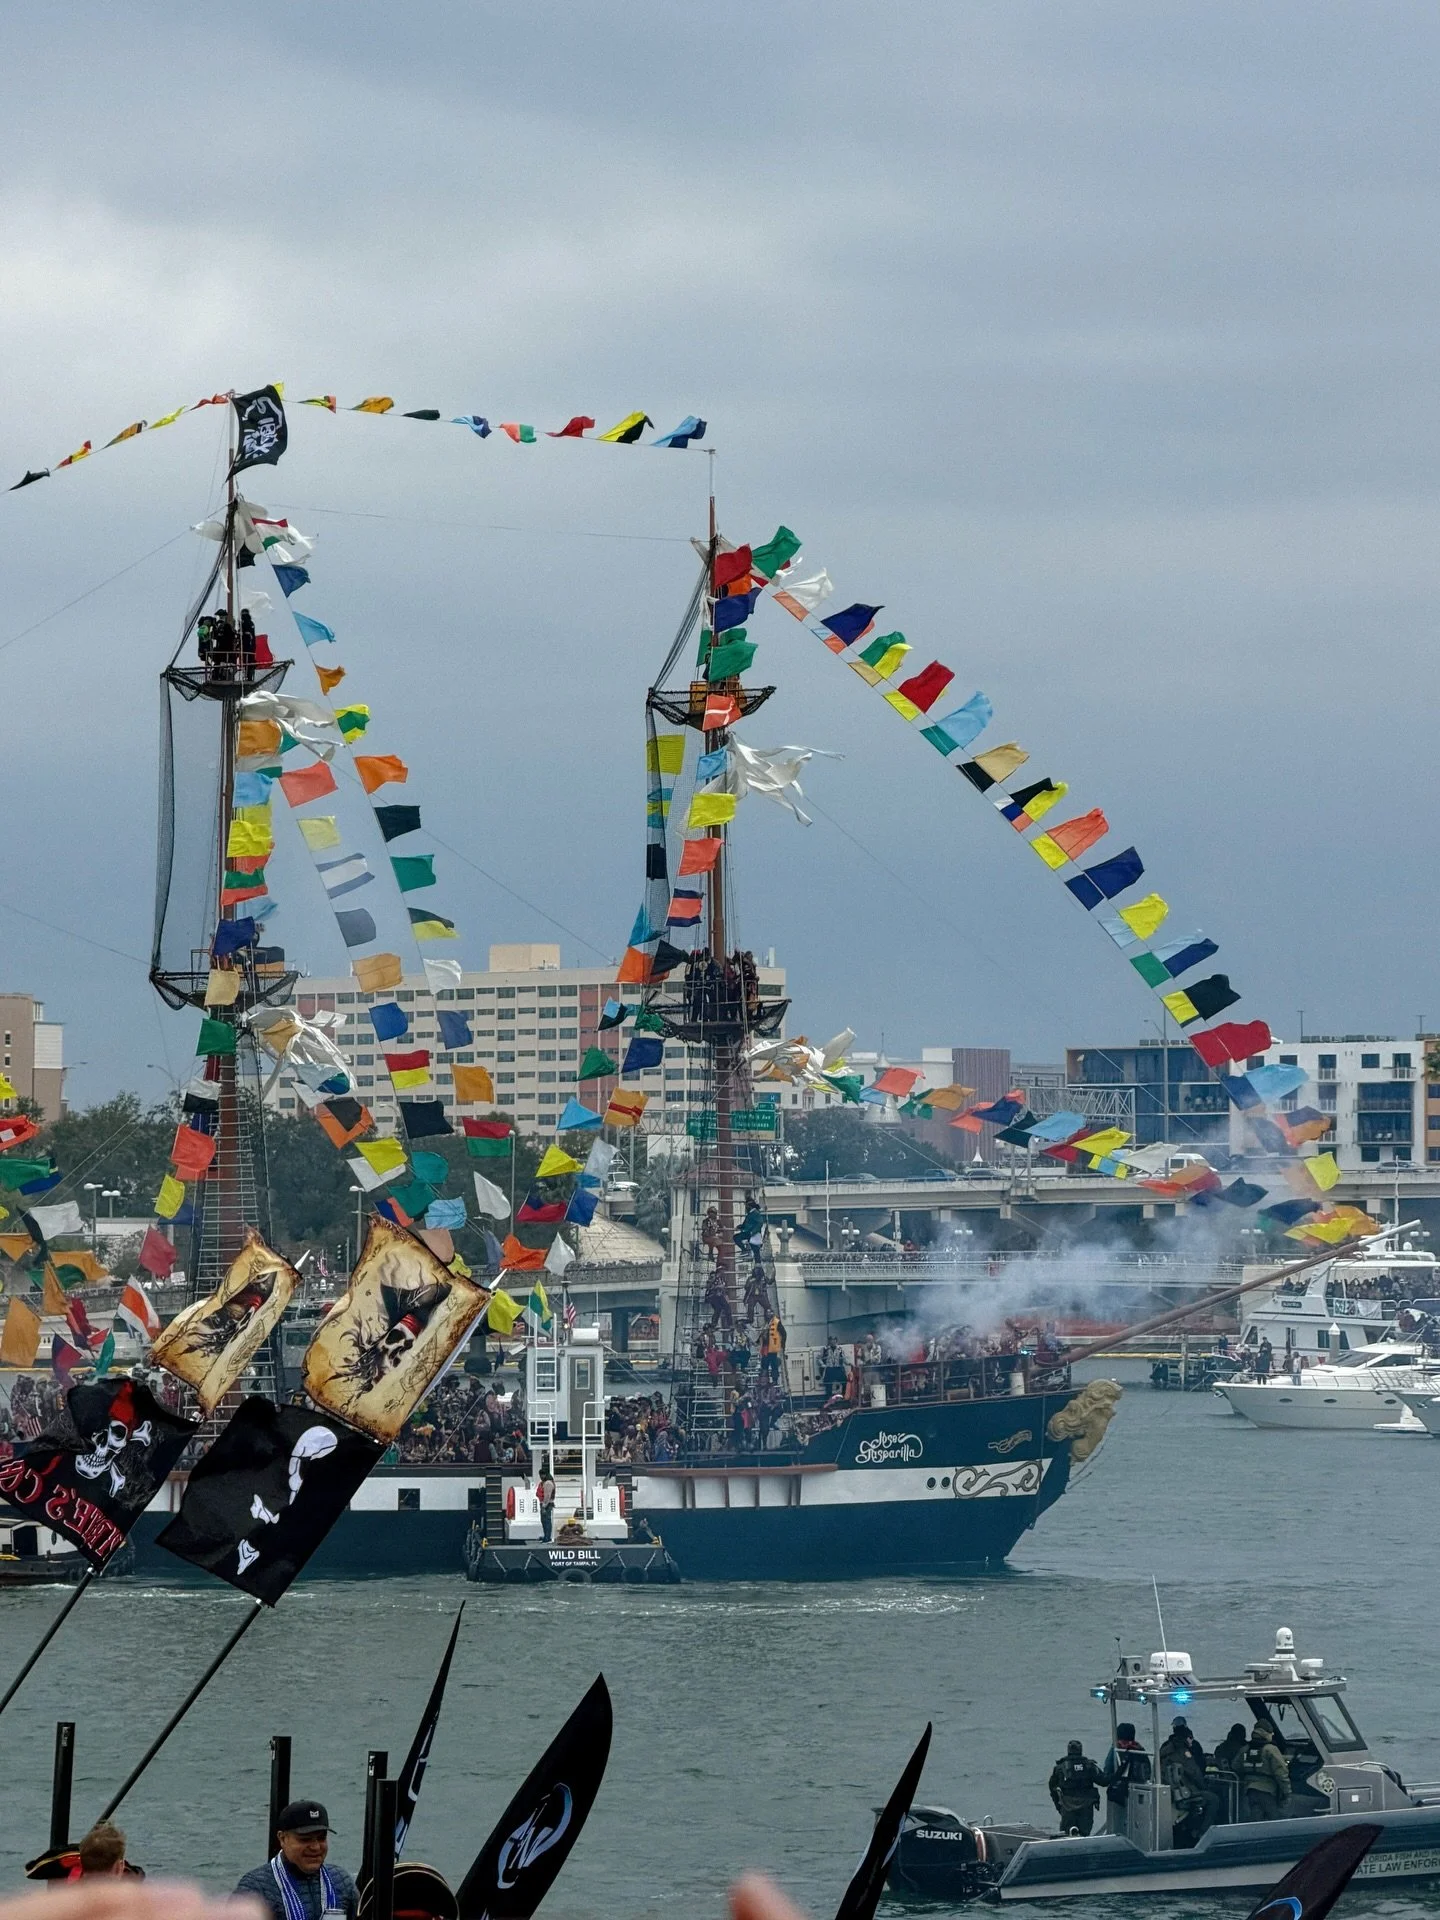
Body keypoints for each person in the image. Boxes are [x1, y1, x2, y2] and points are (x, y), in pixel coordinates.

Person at [236, 1800, 357, 1920]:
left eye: (321, 1838)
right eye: (305, 1839)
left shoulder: (342, 1882)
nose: (315, 1847)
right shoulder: (256, 1889)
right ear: (282, 1838)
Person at [1048, 1739, 1104, 1836]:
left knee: (1066, 1836)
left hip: (1067, 1807)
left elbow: (1052, 1788)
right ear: (1081, 1750)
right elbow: (1104, 1781)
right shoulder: (1089, 1766)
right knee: (1084, 1835)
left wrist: (1059, 1806)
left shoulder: (1060, 1768)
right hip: (1086, 1807)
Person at [1102, 1722, 1151, 1830]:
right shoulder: (1139, 1750)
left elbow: (1107, 1769)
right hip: (1129, 1791)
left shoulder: (1118, 1750)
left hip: (1128, 1791)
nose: (1122, 1744)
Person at [1240, 1722, 1290, 1820]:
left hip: (1250, 1791)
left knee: (1256, 1820)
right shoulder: (1270, 1750)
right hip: (1267, 1791)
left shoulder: (1245, 1749)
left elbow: (1235, 1765)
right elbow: (1281, 1773)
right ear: (1267, 1734)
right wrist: (1287, 1792)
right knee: (1275, 1820)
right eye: (1271, 1733)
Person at [537, 1462, 557, 1541]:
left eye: (542, 1475)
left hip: (547, 1505)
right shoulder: (543, 1483)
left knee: (547, 1521)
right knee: (544, 1521)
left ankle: (547, 1537)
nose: (541, 1477)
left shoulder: (548, 1483)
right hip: (544, 1504)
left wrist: (544, 1506)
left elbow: (547, 1496)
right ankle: (546, 1535)